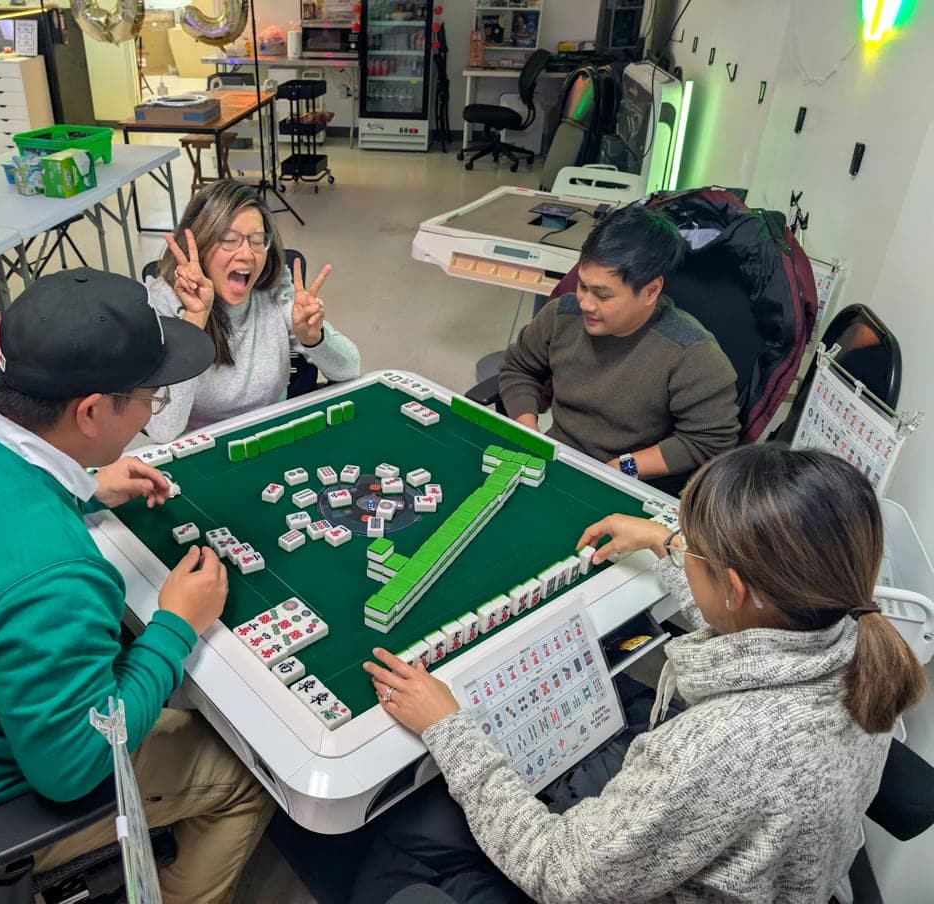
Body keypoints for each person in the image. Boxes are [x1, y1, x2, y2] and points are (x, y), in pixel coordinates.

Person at [353, 445, 927, 903]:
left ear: (734, 587)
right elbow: (750, 619)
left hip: (602, 874)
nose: (685, 551)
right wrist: (667, 543)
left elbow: (559, 874)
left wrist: (448, 726)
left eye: (697, 551)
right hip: (765, 864)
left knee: (405, 841)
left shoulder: (715, 751)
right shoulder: (855, 636)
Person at [0, 269, 274, 902]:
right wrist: (175, 627)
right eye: (151, 397)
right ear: (90, 411)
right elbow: (74, 769)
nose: (151, 413)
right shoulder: (56, 579)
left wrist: (80, 485)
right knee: (249, 774)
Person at [497, 203, 739, 488]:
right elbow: (518, 368)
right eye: (582, 286)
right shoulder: (561, 315)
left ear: (651, 291)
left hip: (628, 482)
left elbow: (710, 440)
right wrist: (529, 432)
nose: (586, 304)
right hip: (557, 461)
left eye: (603, 295)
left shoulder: (692, 355)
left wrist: (622, 467)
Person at [143, 179, 360, 441]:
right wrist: (193, 323)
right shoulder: (164, 301)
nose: (246, 255)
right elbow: (163, 431)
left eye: (257, 241)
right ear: (200, 244)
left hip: (274, 437)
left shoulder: (274, 289)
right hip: (204, 448)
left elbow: (350, 369)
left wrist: (315, 339)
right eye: (229, 240)